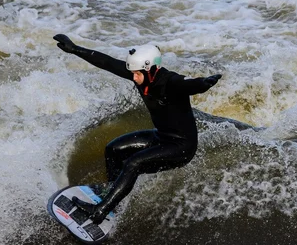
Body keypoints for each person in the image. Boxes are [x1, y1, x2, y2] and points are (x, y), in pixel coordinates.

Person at [53, 34, 222, 224]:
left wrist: (203, 83)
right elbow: (107, 62)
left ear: (151, 70)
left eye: (138, 74)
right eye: (133, 73)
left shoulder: (170, 82)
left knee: (133, 163)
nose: (134, 77)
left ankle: (99, 212)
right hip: (162, 137)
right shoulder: (141, 76)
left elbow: (187, 84)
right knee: (113, 149)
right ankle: (112, 197)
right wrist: (75, 49)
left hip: (181, 146)